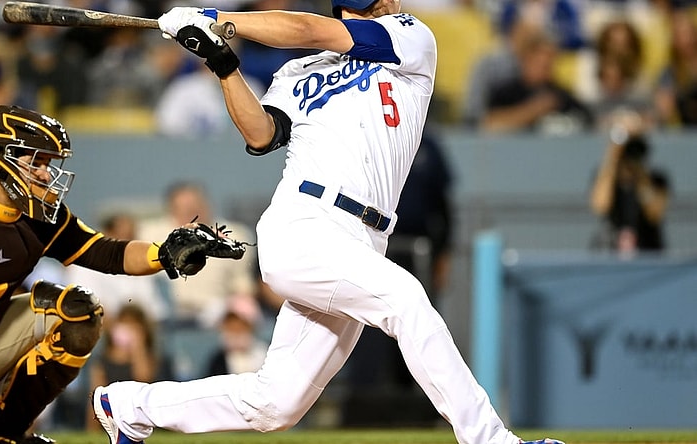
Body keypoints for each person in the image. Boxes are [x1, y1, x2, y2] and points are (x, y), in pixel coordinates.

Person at [93, 2, 563, 444]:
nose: (394, 1)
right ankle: (490, 439)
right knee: (405, 300)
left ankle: (129, 405)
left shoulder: (411, 36)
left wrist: (219, 18)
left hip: (363, 238)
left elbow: (309, 29)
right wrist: (223, 65)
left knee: (275, 403)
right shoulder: (298, 71)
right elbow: (260, 133)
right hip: (304, 223)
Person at [0, 104, 213, 444]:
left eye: (48, 163)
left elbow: (107, 252)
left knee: (79, 312)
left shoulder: (42, 221)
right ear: (1, 158)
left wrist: (165, 253)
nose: (45, 173)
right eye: (36, 162)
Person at [139, 181, 257, 329]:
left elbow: (243, 287)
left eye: (196, 205)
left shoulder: (235, 235)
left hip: (216, 315)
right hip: (165, 315)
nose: (191, 212)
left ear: (208, 204)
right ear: (171, 209)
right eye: (184, 208)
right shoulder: (149, 234)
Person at [589, 112, 670, 253]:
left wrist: (640, 172)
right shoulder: (605, 176)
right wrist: (614, 154)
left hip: (648, 252)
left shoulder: (656, 179)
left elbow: (654, 214)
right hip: (610, 252)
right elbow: (600, 206)